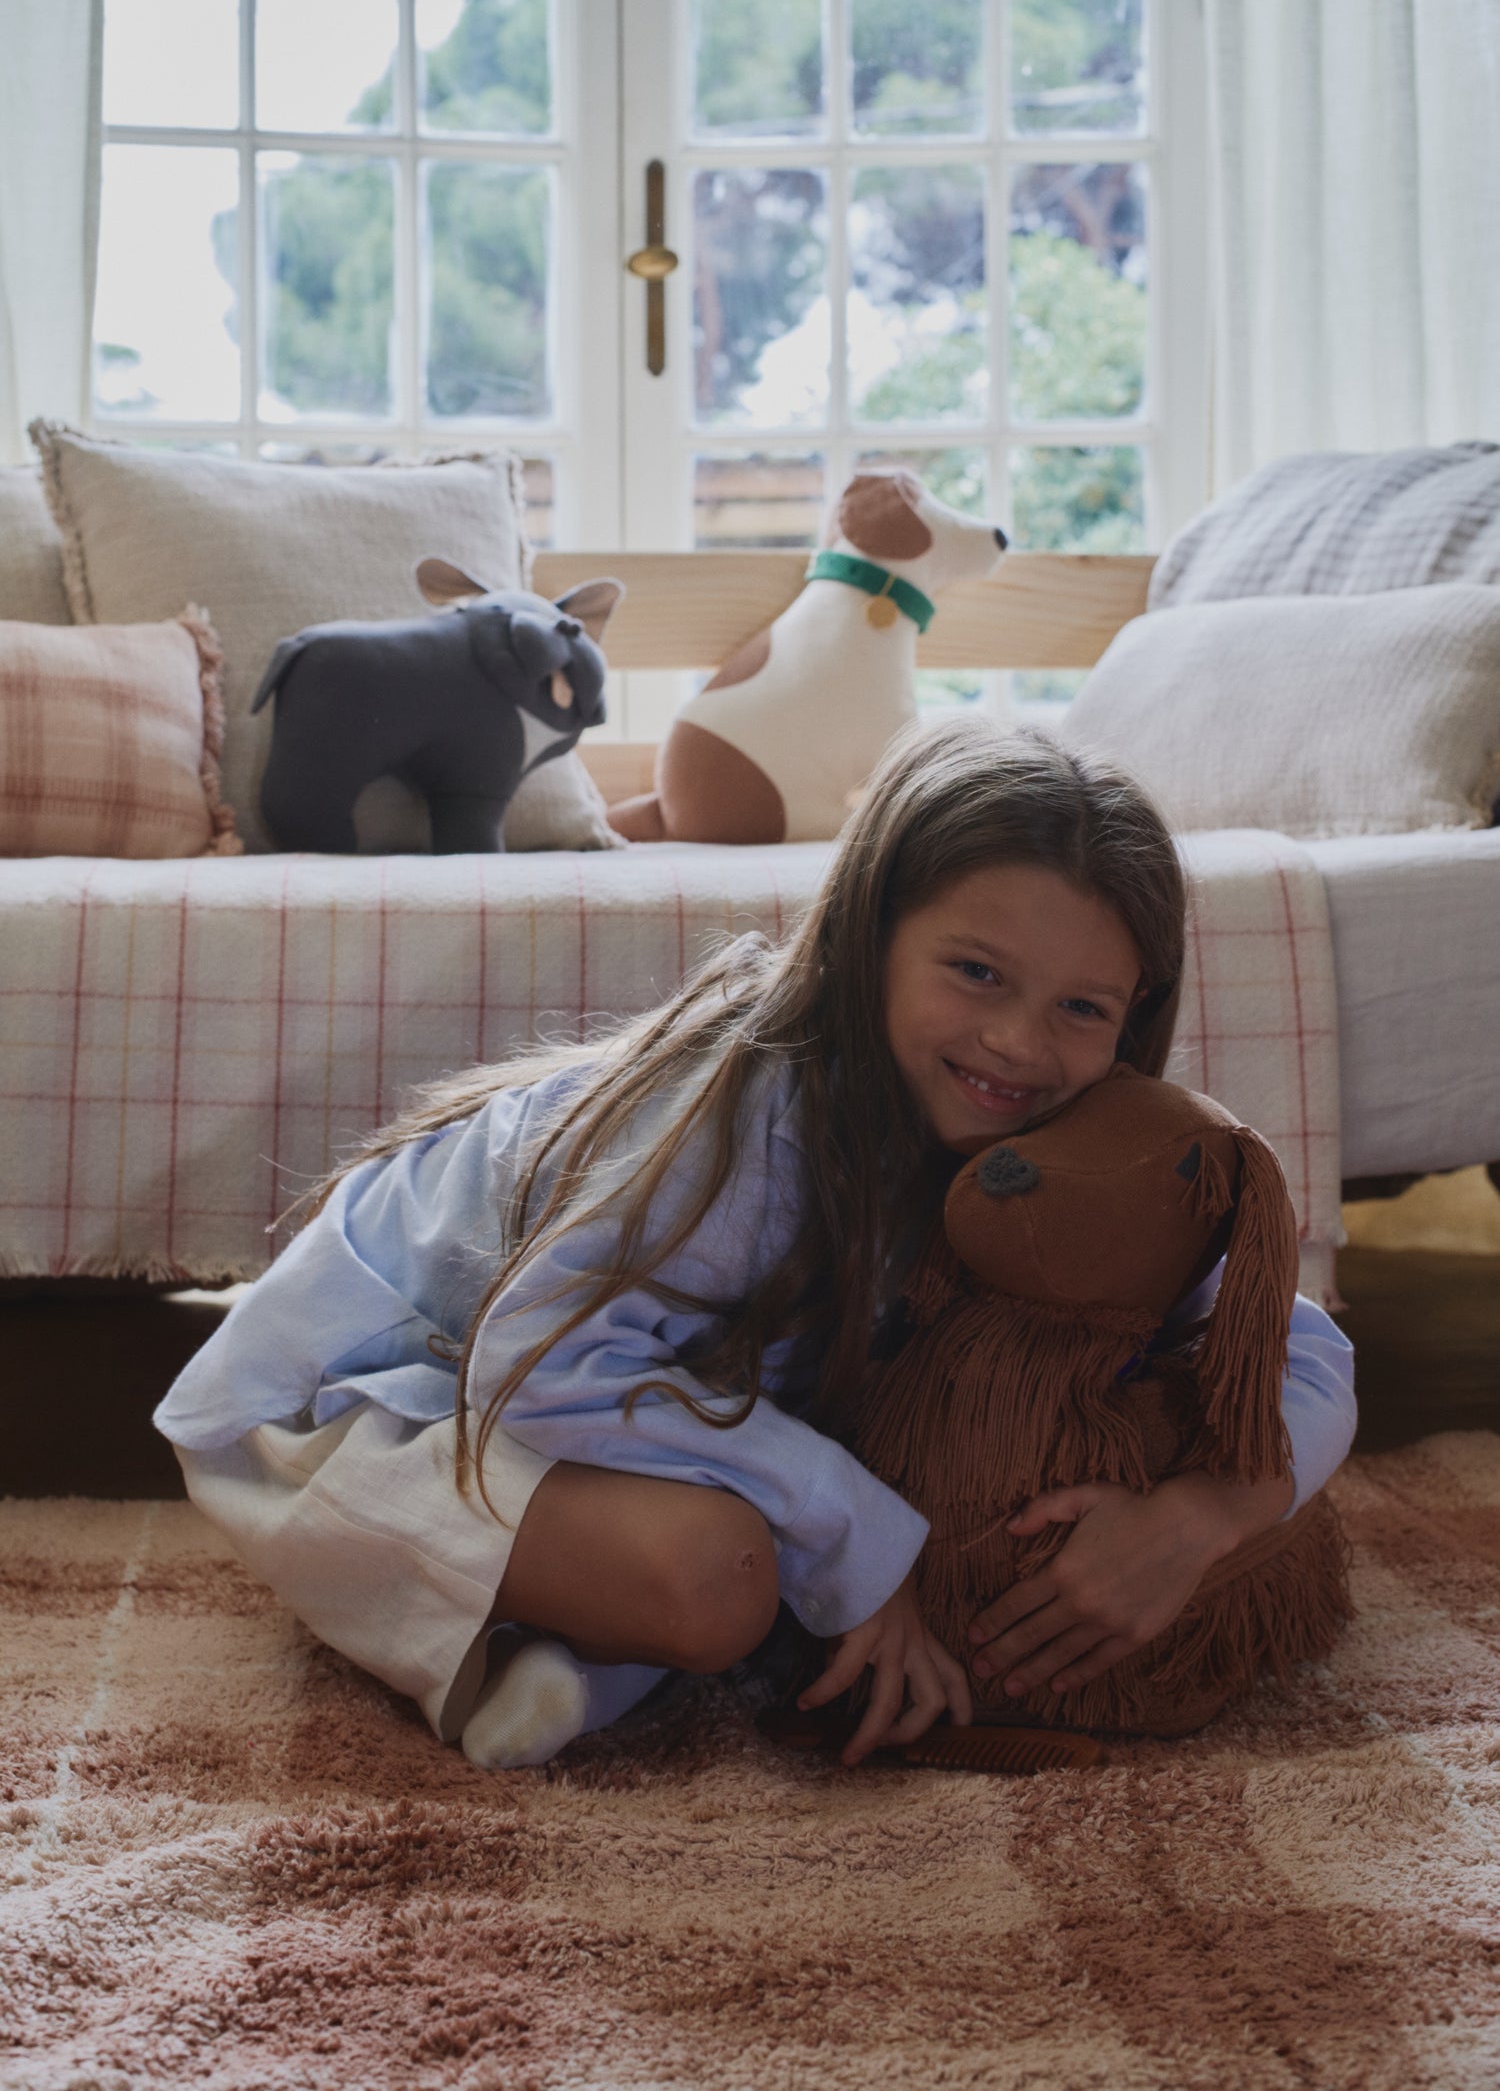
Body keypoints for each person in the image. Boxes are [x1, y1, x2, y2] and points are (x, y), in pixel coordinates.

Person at [154, 720, 1356, 1773]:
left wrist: (1204, 1515)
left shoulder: (1072, 1154)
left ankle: (572, 1644)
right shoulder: (752, 1123)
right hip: (386, 1390)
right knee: (718, 1580)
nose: (1018, 1044)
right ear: (871, 937)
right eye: (975, 972)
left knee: (792, 1543)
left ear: (1134, 1018)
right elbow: (541, 1367)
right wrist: (864, 1542)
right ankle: (490, 1622)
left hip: (591, 1409)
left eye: (1082, 1009)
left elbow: (1298, 1350)